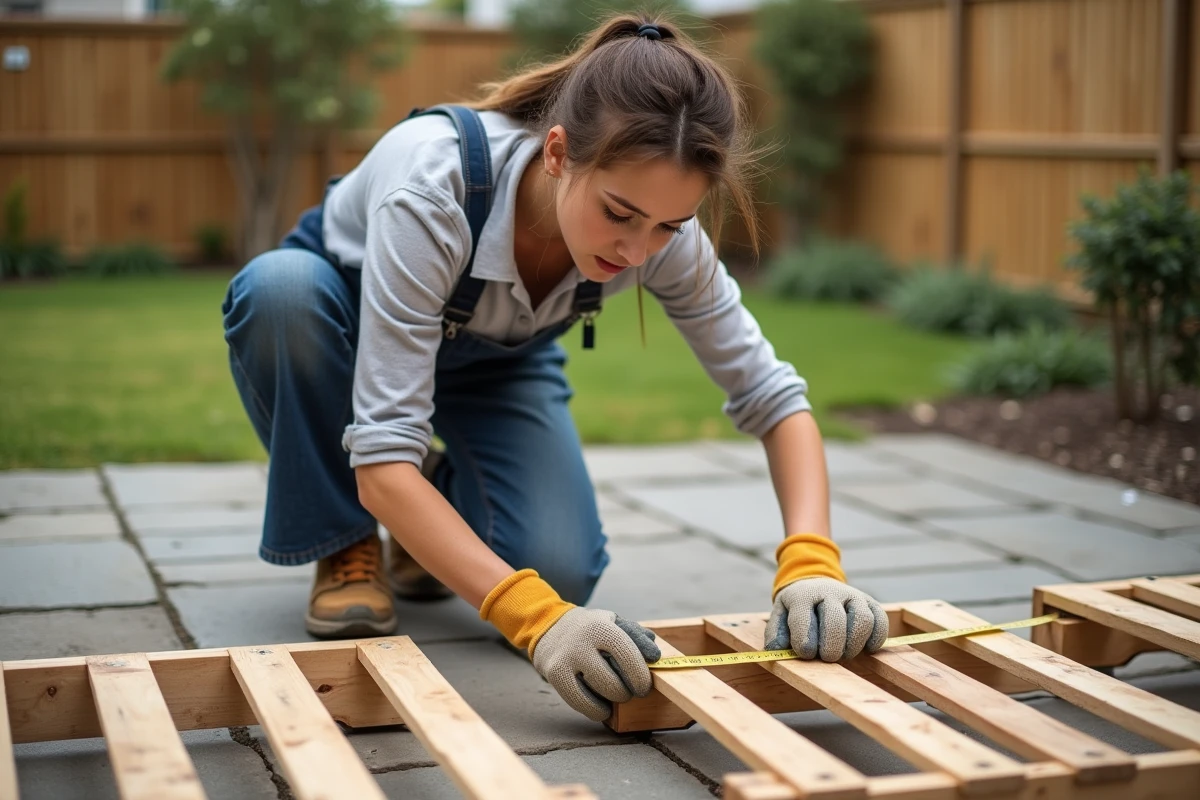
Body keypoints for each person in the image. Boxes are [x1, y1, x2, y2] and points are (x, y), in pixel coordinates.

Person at [221, 14, 889, 723]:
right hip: (348, 325)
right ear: (558, 152)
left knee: (559, 566)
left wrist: (812, 560)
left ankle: (427, 532)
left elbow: (773, 396)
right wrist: (537, 621)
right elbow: (385, 458)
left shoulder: (663, 236)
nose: (637, 252)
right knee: (279, 294)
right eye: (619, 213)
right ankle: (346, 535)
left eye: (667, 225)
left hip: (500, 361)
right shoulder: (433, 188)